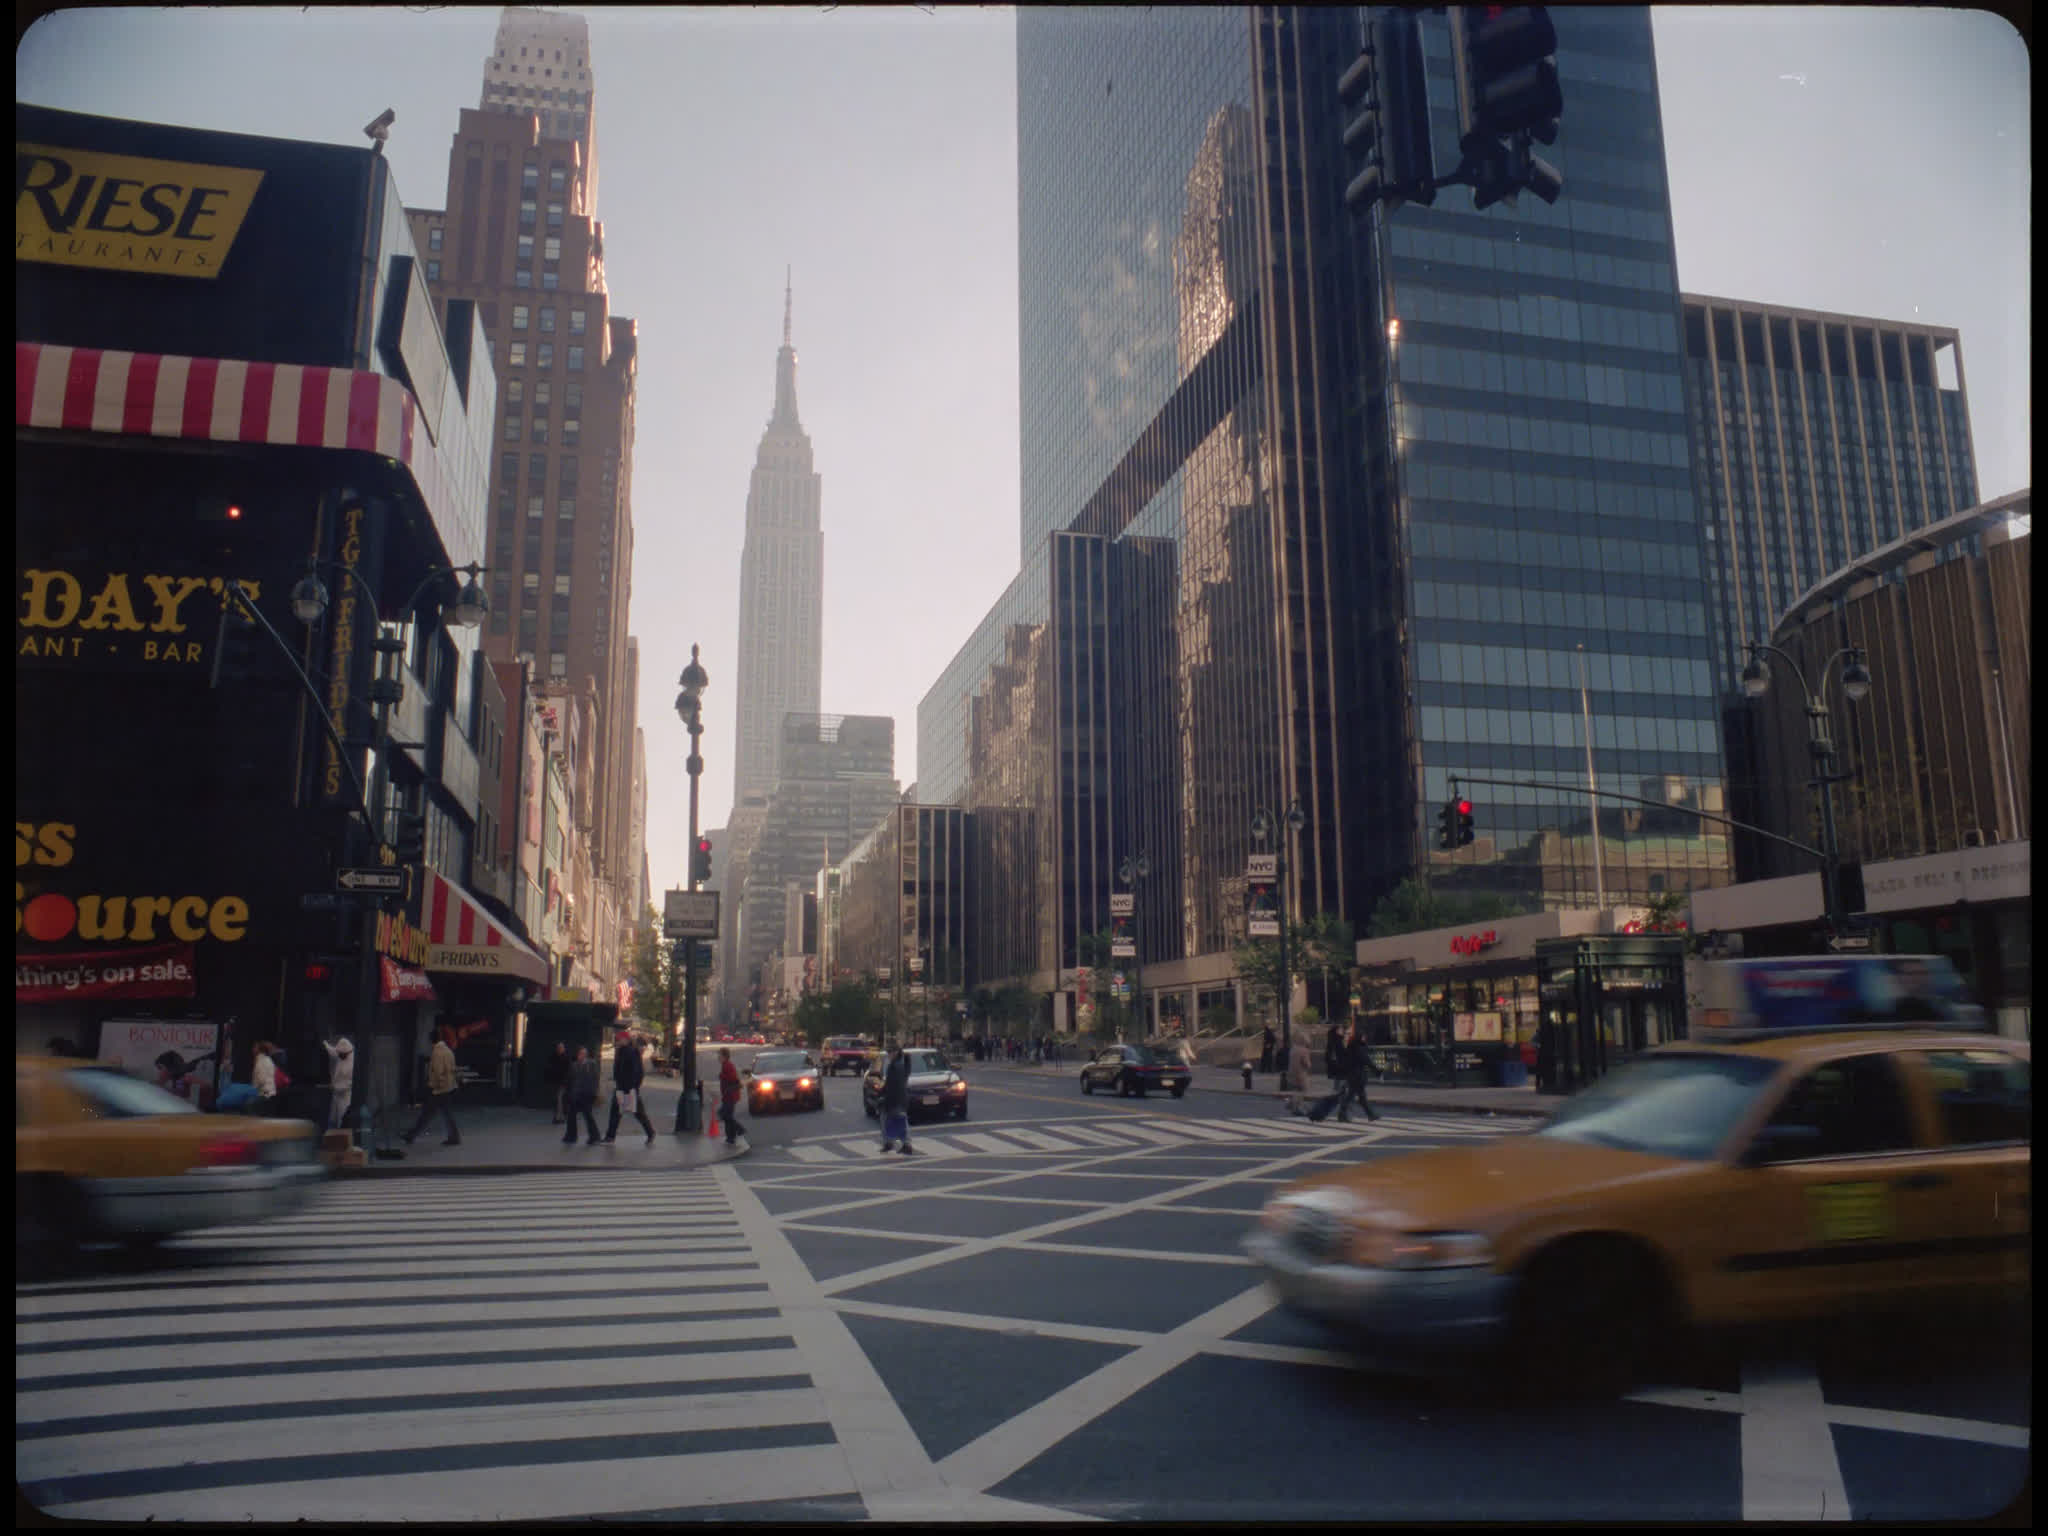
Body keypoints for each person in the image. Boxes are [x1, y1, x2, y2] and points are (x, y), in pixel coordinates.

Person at [402, 1026, 462, 1146]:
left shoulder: (437, 1052)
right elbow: (452, 1069)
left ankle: (411, 1135)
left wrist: (433, 1086)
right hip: (448, 1087)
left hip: (438, 1089)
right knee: (444, 1113)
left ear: (431, 1040)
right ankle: (454, 1137)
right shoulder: (448, 1051)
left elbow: (438, 1072)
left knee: (428, 1114)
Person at [606, 1030, 657, 1146]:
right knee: (618, 1112)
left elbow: (637, 1071)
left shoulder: (631, 1052)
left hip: (628, 1088)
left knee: (637, 1113)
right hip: (623, 1087)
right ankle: (610, 1136)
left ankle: (650, 1132)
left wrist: (633, 1087)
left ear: (625, 1040)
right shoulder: (623, 1051)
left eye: (619, 1040)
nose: (617, 1042)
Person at [1336, 1021, 1379, 1123]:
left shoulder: (1351, 1047)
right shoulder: (1358, 1048)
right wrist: (1377, 1070)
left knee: (1360, 1096)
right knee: (1351, 1096)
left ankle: (1371, 1115)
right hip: (1357, 1076)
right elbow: (1366, 1060)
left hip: (1353, 1075)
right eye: (1363, 1037)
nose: (1365, 1038)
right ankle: (1342, 1114)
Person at [879, 1041, 915, 1156]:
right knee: (897, 1120)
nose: (888, 1054)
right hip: (900, 1097)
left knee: (896, 1120)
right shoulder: (900, 1063)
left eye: (890, 1052)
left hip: (896, 1098)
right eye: (888, 1052)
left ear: (896, 1052)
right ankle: (895, 1143)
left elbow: (893, 1084)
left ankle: (902, 1144)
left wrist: (885, 1097)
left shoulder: (895, 1066)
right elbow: (904, 1077)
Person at [563, 1044, 602, 1145]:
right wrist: (570, 1093)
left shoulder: (591, 1064)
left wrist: (595, 1092)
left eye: (584, 1054)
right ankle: (571, 1136)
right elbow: (571, 1080)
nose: (583, 1056)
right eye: (581, 1054)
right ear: (577, 1055)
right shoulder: (574, 1065)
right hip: (576, 1094)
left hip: (587, 1094)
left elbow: (595, 1079)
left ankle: (594, 1136)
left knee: (587, 1115)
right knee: (571, 1115)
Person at [321, 1035, 356, 1132]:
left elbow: (349, 1084)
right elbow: (333, 1052)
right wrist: (325, 1044)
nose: (338, 1055)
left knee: (342, 1119)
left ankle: (341, 1139)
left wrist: (334, 1087)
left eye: (340, 1053)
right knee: (332, 1119)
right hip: (336, 1095)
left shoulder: (352, 1064)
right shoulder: (342, 1056)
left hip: (345, 1096)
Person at [717, 1046, 747, 1149]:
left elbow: (733, 1079)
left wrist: (722, 1077)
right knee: (726, 1116)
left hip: (730, 1095)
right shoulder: (726, 1065)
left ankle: (739, 1129)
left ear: (724, 1056)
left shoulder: (727, 1066)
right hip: (728, 1095)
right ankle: (731, 1137)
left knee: (725, 1115)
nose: (718, 1057)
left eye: (719, 1055)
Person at [1283, 1031, 1313, 1116]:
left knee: (1296, 1090)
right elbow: (1307, 1064)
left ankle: (1291, 1104)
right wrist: (1309, 1066)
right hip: (1301, 1073)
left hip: (1291, 1072)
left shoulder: (1293, 1049)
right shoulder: (1304, 1051)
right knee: (1303, 1090)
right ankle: (1295, 1107)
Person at [543, 1041, 571, 1124]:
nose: (560, 1049)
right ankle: (559, 1116)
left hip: (563, 1082)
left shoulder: (566, 1058)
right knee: (557, 1099)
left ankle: (559, 1116)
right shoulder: (553, 1057)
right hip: (555, 1082)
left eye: (561, 1048)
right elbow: (549, 1068)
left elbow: (568, 1070)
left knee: (559, 1098)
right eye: (559, 1048)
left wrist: (566, 1081)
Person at [252, 1041, 279, 1113]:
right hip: (271, 1094)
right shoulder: (269, 1060)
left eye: (254, 1047)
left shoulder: (260, 1061)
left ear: (259, 1050)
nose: (253, 1049)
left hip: (264, 1095)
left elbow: (261, 1080)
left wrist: (253, 1089)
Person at [1324, 1017, 1346, 1089]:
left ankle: (1337, 1092)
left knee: (1338, 1079)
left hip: (1335, 1063)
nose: (1342, 1030)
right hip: (1339, 1062)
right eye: (1340, 1029)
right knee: (1341, 1079)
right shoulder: (1338, 1040)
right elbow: (1342, 1051)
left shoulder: (1332, 1039)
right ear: (1337, 1031)